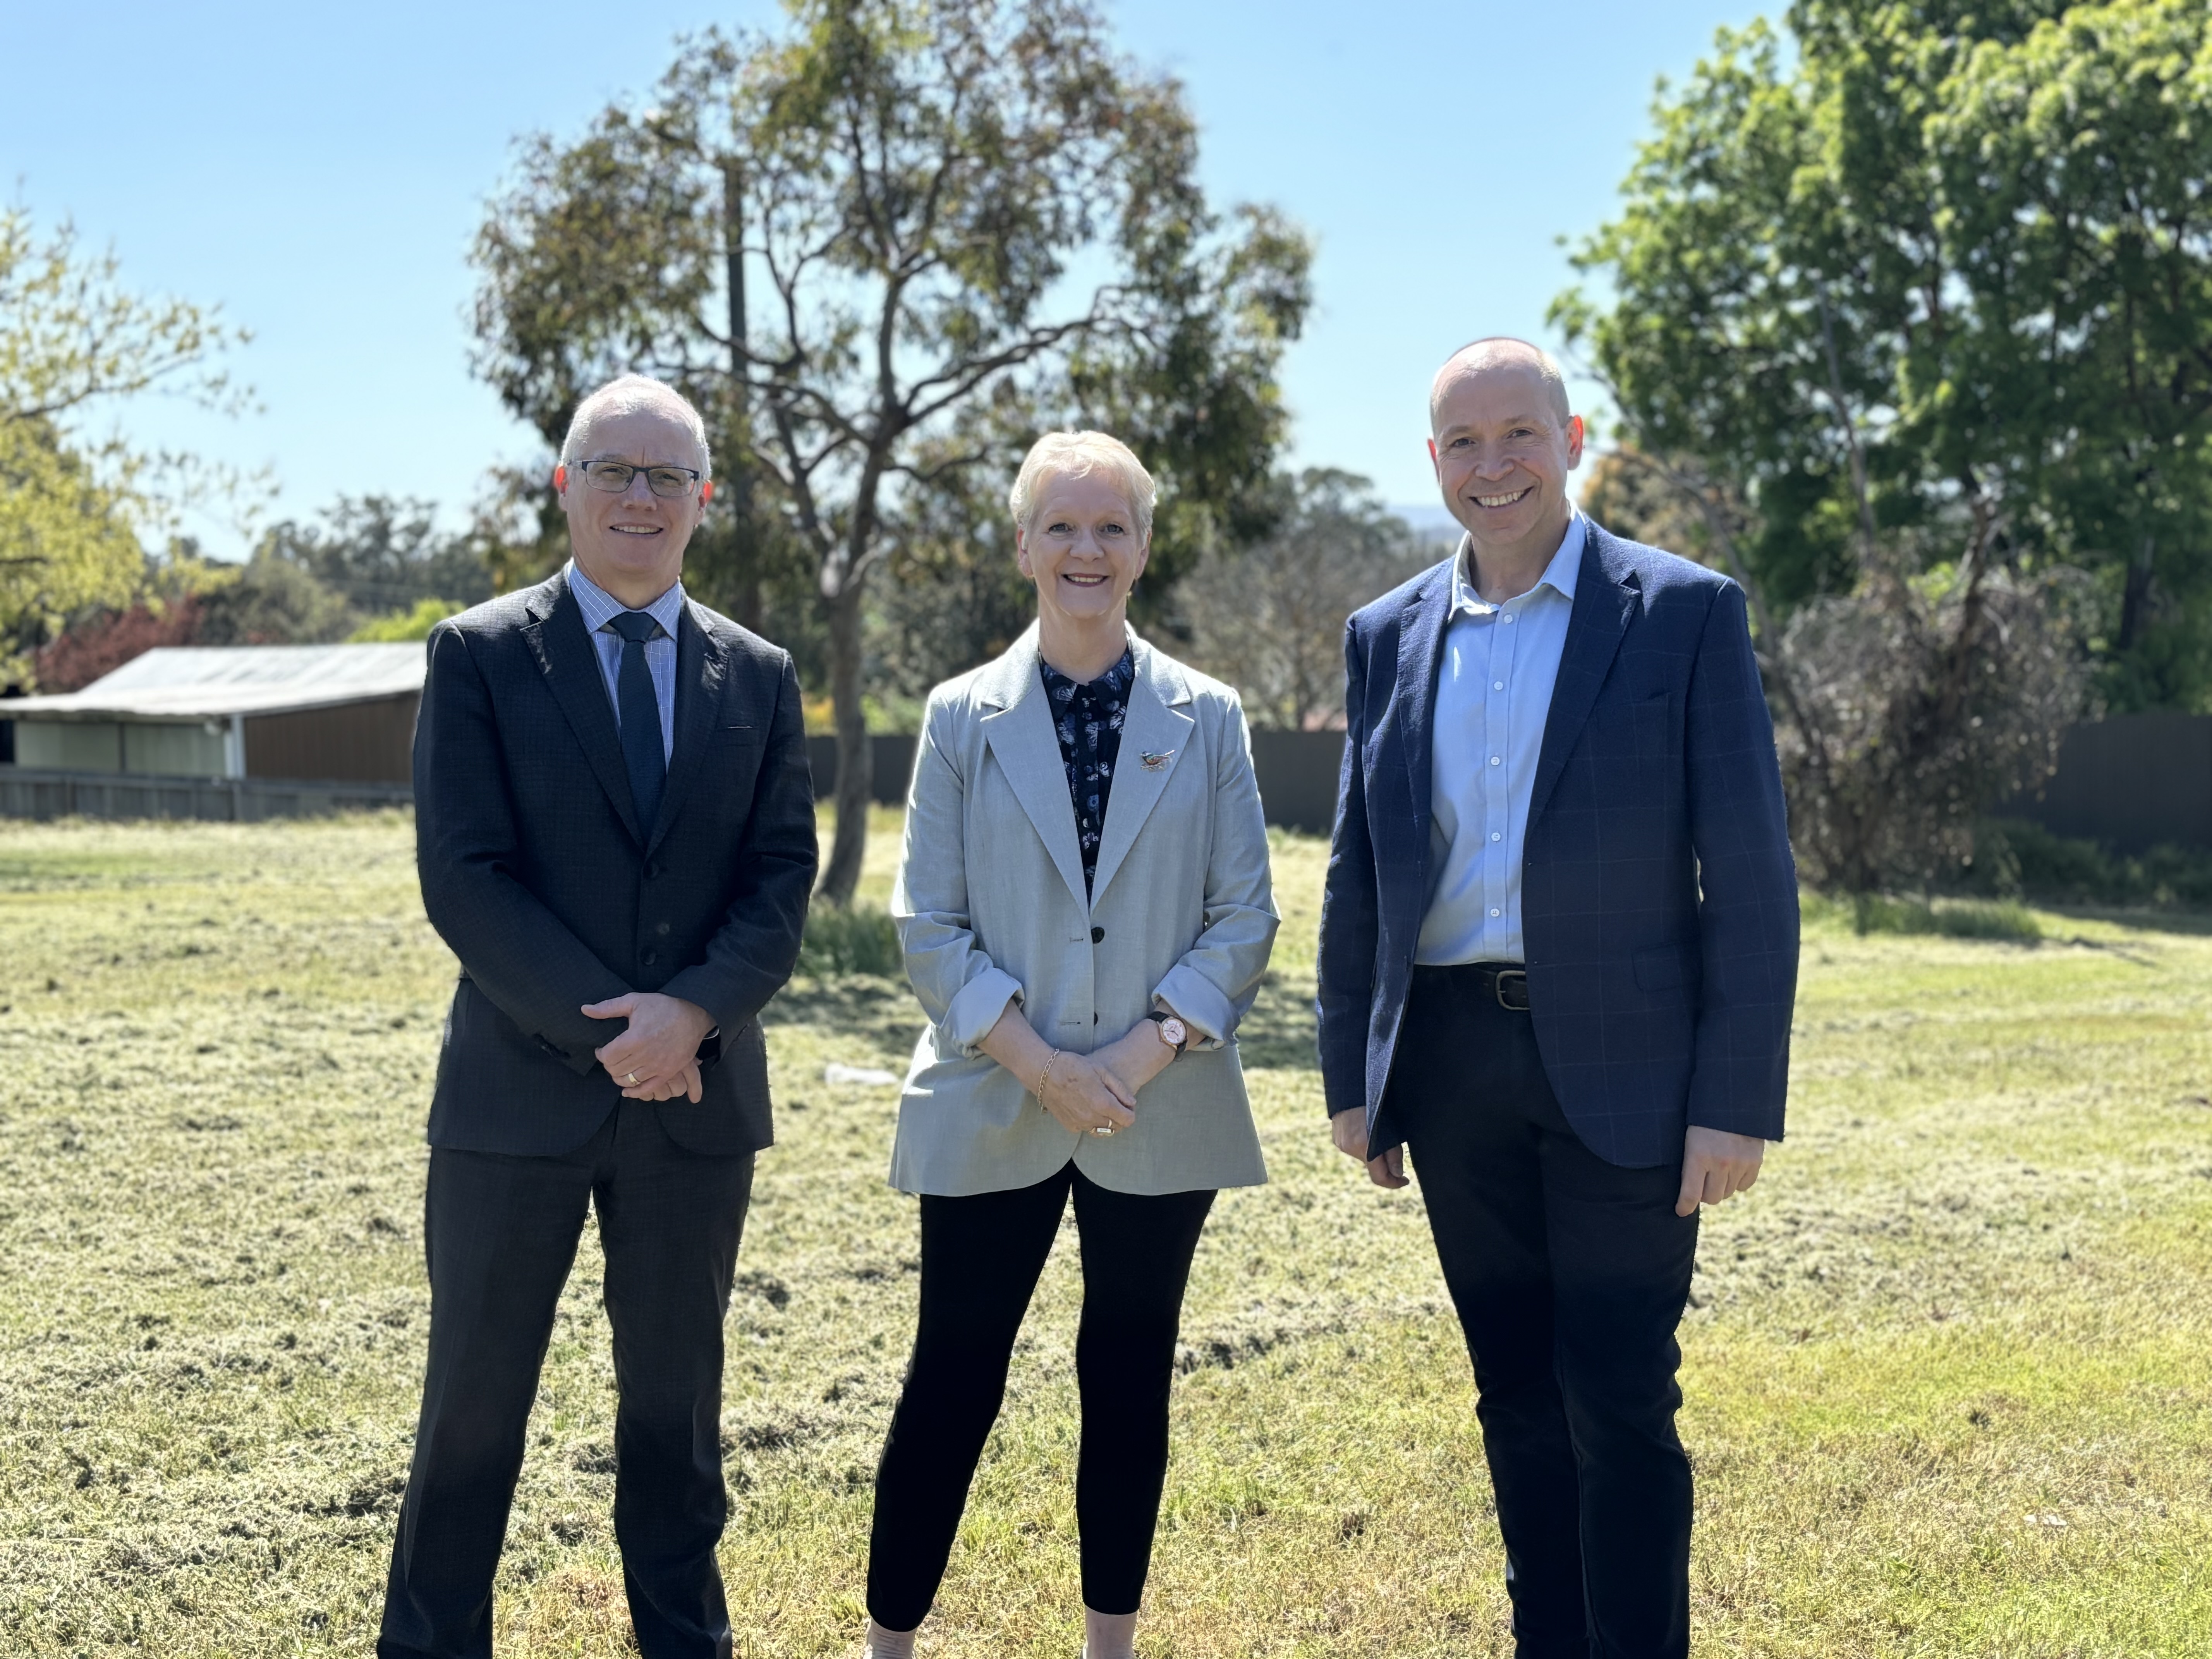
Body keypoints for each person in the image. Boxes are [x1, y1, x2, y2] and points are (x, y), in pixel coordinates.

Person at [1316, 340, 1799, 1658]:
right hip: (1455, 1062)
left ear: (1572, 438)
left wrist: (1733, 1099)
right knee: (1514, 1394)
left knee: (1620, 1398)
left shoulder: (1684, 612)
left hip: (1633, 1076)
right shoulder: (1385, 635)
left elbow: (1750, 876)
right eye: (1464, 444)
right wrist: (1353, 1078)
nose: (1495, 466)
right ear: (1434, 465)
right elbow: (1362, 866)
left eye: (1519, 434)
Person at [380, 374, 817, 1659]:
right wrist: (622, 1035)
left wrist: (691, 1015)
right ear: (564, 486)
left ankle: (686, 1639)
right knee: (471, 1406)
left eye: (666, 474)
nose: (639, 494)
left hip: (698, 1104)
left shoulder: (762, 673)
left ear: (705, 500)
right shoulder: (477, 654)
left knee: (677, 1413)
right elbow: (465, 876)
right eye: (612, 469)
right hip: (514, 1103)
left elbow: (779, 879)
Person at [860, 431, 1278, 1659]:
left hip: (1163, 1102)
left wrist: (1141, 1053)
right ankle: (887, 1642)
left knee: (1131, 1372)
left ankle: (1112, 1644)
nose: (1085, 549)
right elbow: (925, 921)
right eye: (1062, 526)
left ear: (1145, 548)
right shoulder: (957, 718)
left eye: (1112, 527)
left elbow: (1244, 913)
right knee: (954, 1374)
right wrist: (1045, 1064)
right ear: (1024, 544)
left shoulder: (1208, 718)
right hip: (997, 1091)